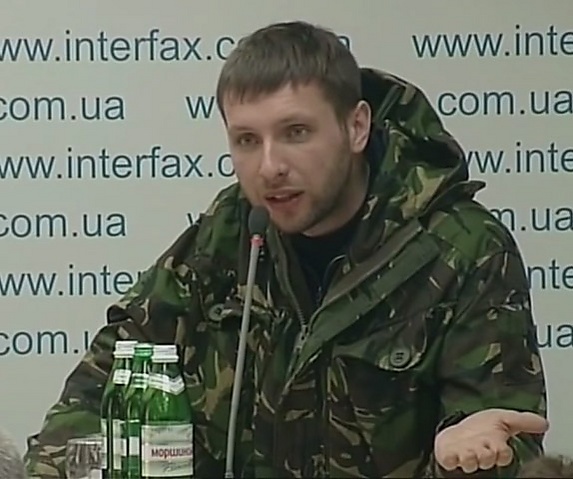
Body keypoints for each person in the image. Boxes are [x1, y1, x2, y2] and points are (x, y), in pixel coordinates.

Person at [24, 21, 548, 478]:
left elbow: (505, 442)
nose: (269, 166)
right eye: (247, 141)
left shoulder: (462, 249)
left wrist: (467, 459)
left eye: (296, 132)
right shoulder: (231, 229)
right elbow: (109, 372)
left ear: (356, 126)